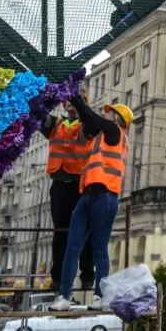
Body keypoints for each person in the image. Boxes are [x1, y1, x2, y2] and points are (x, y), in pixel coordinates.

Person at [49, 96, 134, 311]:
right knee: (72, 247)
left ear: (116, 118)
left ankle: (99, 296)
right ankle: (64, 297)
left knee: (99, 249)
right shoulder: (98, 137)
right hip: (86, 196)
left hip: (104, 196)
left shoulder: (115, 133)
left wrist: (75, 96)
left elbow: (89, 116)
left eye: (109, 112)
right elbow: (86, 123)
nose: (104, 113)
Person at [40, 97, 93, 295]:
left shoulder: (88, 124)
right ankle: (58, 278)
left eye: (76, 101)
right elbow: (38, 115)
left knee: (85, 232)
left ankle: (87, 276)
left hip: (80, 184)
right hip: (60, 184)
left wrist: (81, 105)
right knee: (60, 232)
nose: (71, 104)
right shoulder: (56, 124)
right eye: (68, 101)